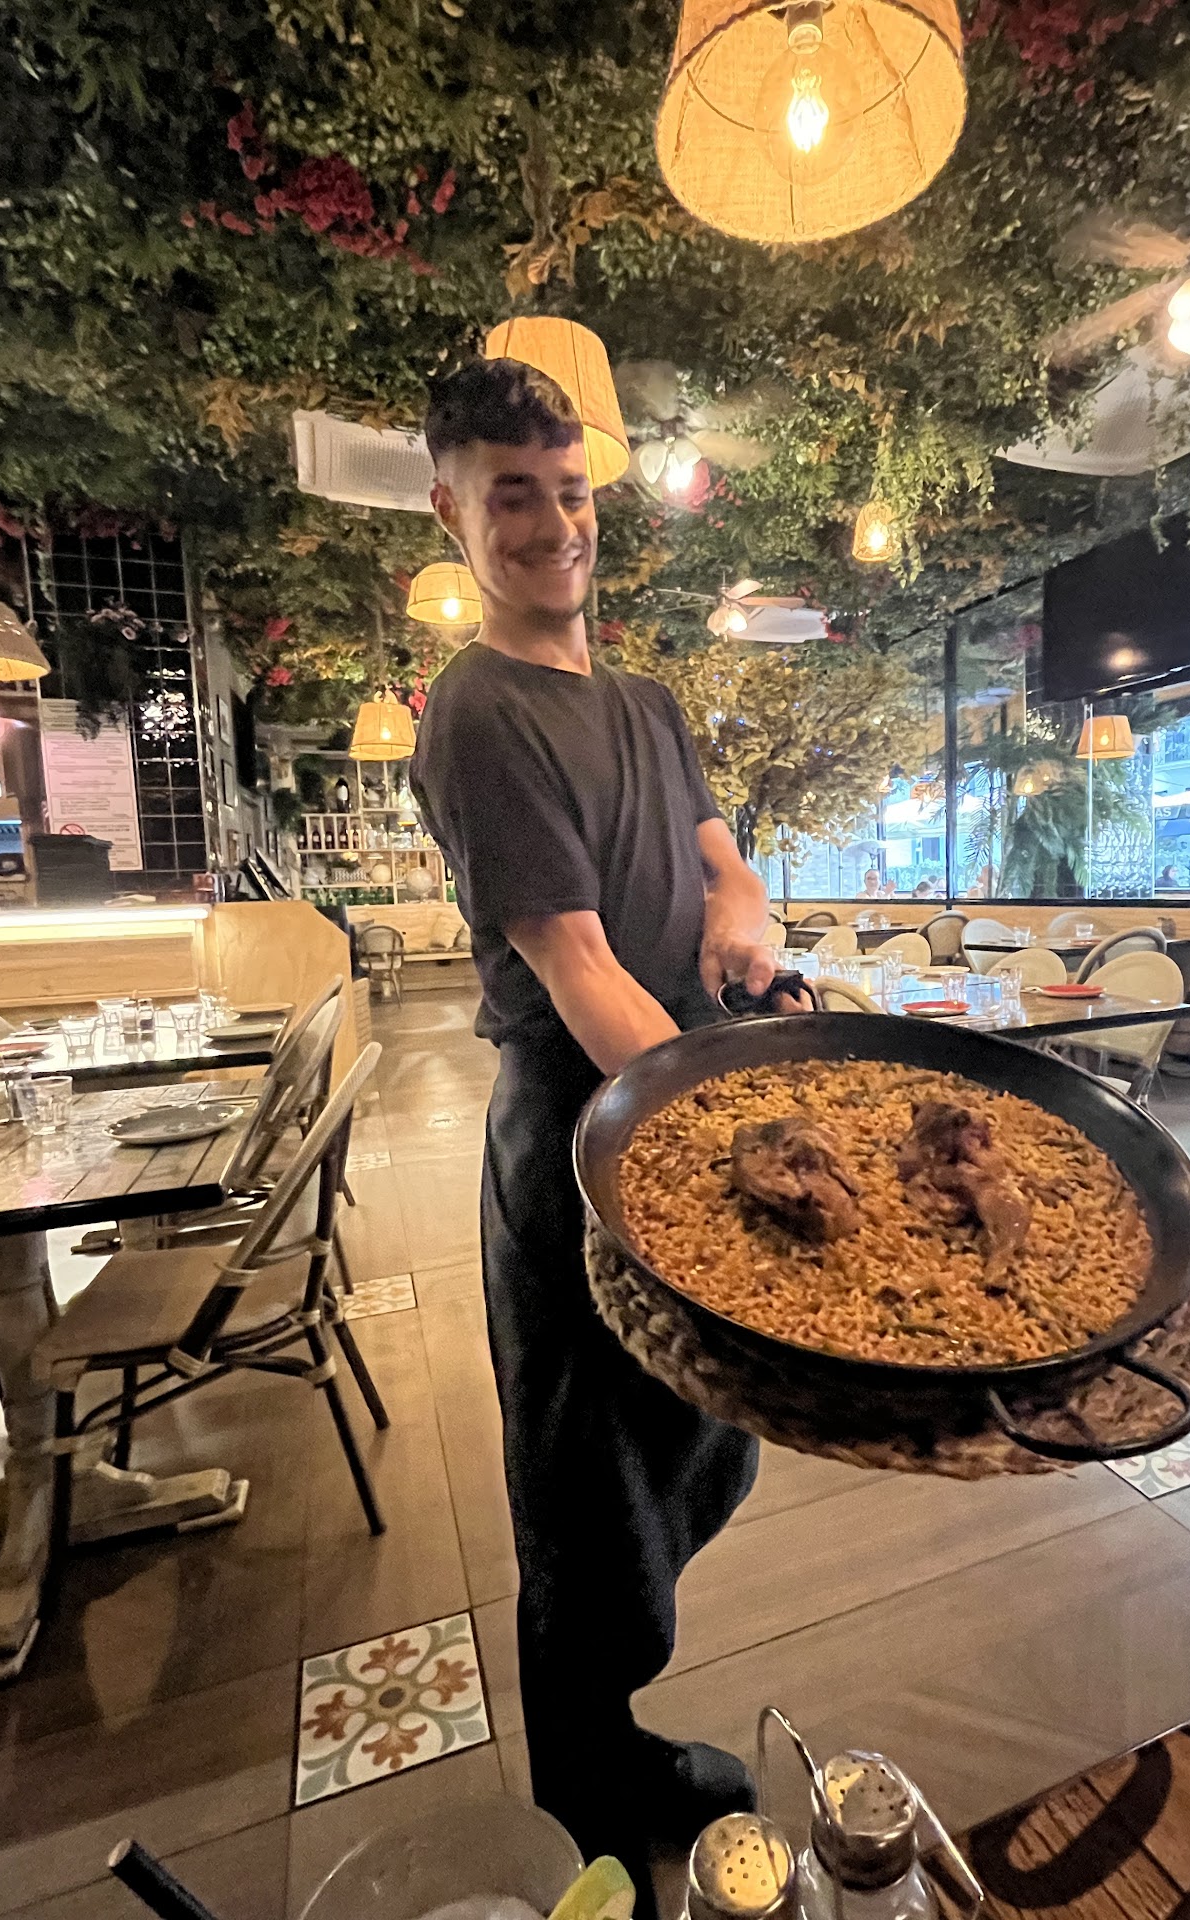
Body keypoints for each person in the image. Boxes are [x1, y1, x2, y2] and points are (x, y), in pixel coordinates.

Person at [410, 358, 774, 1887]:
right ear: (450, 511)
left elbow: (715, 846)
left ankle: (613, 1737)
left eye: (570, 492)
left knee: (691, 1436)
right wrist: (742, 1120)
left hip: (675, 1099)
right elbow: (576, 967)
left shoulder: (644, 701)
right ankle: (589, 1807)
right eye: (513, 496)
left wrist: (741, 904)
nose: (555, 524)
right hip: (578, 1138)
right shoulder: (477, 712)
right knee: (583, 1489)